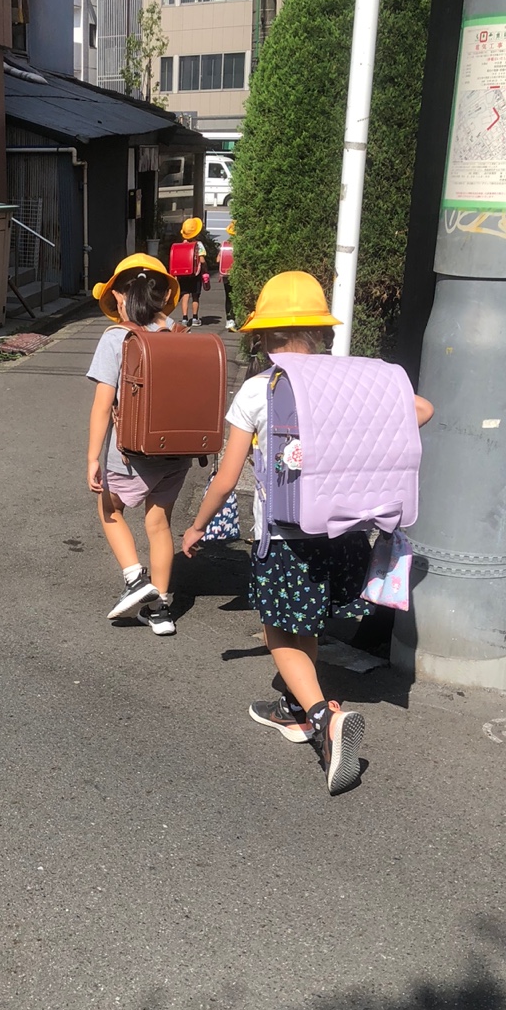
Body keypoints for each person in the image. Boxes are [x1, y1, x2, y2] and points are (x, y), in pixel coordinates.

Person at [181, 271, 434, 794]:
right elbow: (423, 410)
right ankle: (292, 709)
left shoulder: (259, 389)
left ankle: (324, 719)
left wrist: (199, 525)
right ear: (320, 333)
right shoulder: (346, 381)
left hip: (285, 541)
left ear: (263, 338)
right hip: (344, 535)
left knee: (278, 631)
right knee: (307, 624)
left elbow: (227, 477)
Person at [86, 253, 191, 636]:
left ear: (118, 295)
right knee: (159, 524)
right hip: (177, 451)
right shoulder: (180, 334)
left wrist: (92, 458)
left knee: (109, 507)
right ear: (164, 295)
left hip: (131, 454)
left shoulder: (117, 338)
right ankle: (160, 610)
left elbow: (103, 405)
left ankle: (134, 578)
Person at [170, 217, 207, 327]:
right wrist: (205, 269)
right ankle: (195, 318)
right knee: (195, 296)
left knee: (185, 295)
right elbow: (202, 260)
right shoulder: (198, 245)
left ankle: (185, 318)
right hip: (195, 274)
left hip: (183, 274)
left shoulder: (181, 245)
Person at [218, 221, 237, 330]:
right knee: (237, 297)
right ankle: (236, 319)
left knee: (228, 297)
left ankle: (229, 320)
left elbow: (218, 260)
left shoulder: (224, 244)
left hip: (226, 275)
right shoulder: (241, 244)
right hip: (237, 274)